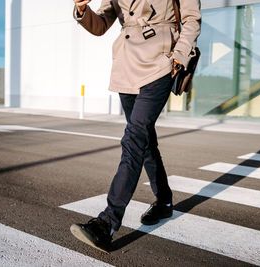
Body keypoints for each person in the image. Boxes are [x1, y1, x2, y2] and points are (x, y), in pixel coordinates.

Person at [70, 0, 201, 252]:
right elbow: (101, 25)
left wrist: (179, 55)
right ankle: (164, 201)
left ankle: (107, 223)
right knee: (144, 140)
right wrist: (81, 9)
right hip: (127, 65)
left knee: (134, 138)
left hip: (161, 62)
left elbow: (191, 18)